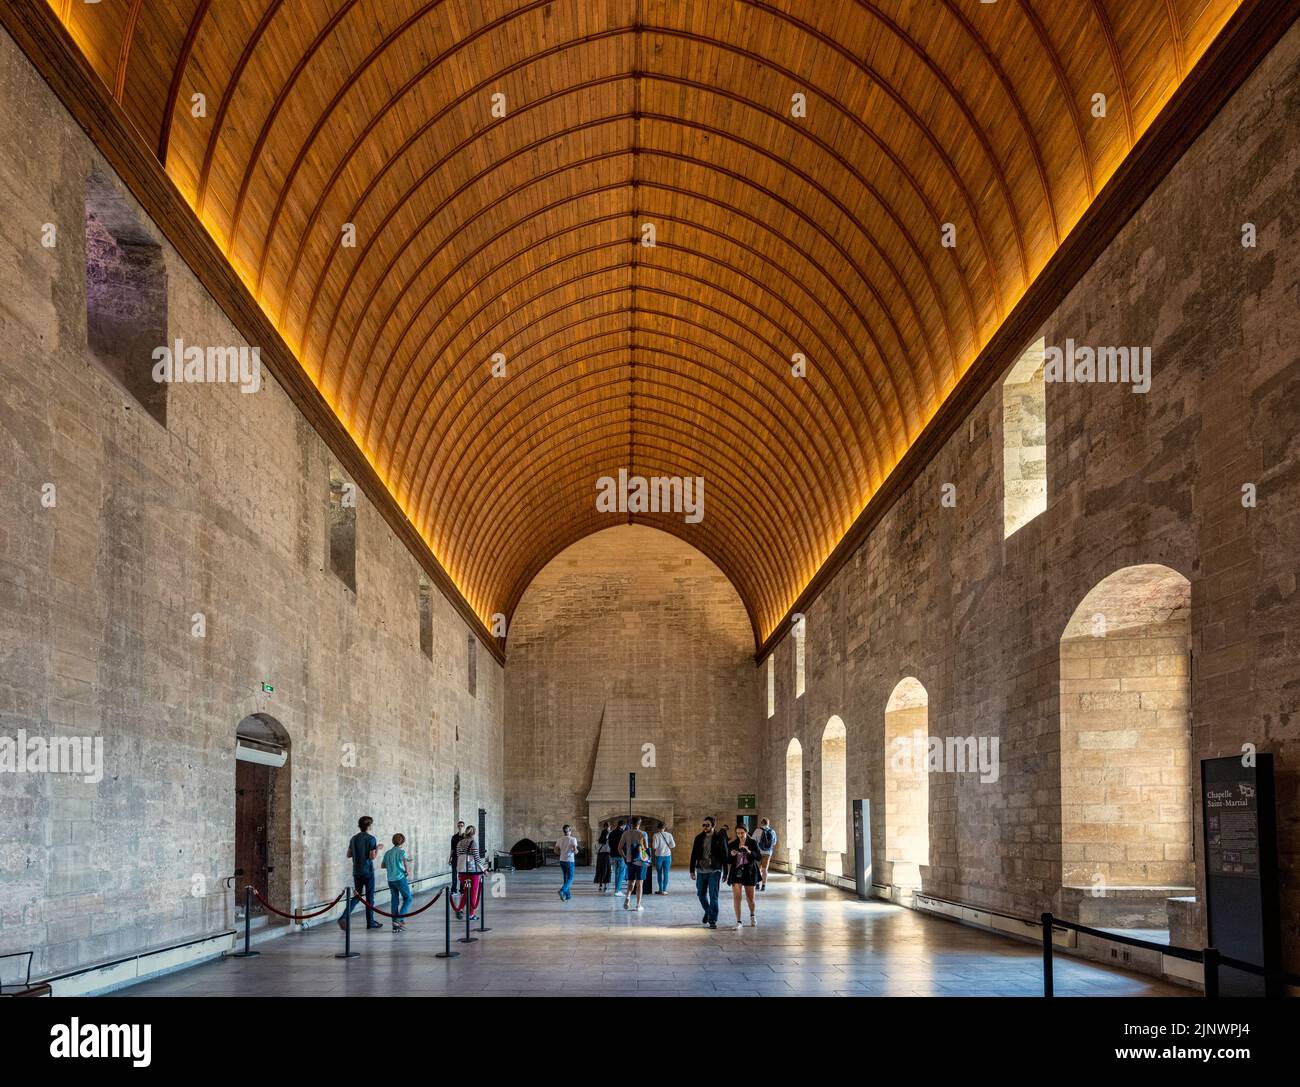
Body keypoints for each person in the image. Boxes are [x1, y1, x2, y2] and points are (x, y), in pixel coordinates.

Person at [340, 816, 383, 930]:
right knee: (370, 898)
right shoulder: (371, 839)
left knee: (357, 896)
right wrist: (378, 848)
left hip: (357, 871)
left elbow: (348, 854)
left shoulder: (353, 838)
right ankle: (370, 922)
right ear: (369, 826)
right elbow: (372, 857)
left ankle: (344, 917)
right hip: (367, 871)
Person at [689, 816, 728, 929]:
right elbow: (693, 855)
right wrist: (692, 870)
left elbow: (724, 855)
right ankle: (708, 911)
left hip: (714, 870)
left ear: (713, 825)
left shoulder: (719, 838)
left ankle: (712, 920)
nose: (705, 827)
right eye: (704, 825)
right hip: (701, 870)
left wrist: (725, 872)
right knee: (701, 894)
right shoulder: (699, 838)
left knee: (713, 896)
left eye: (707, 825)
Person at [727, 826, 762, 928]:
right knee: (737, 898)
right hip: (736, 872)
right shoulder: (733, 844)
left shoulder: (752, 843)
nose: (740, 835)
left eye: (742, 833)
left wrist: (749, 852)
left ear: (746, 832)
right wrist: (732, 855)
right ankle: (738, 921)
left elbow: (758, 857)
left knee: (750, 898)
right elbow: (728, 860)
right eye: (738, 833)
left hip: (749, 871)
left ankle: (752, 915)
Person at [382, 832, 412, 931]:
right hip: (400, 878)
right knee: (408, 898)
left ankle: (395, 925)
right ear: (402, 842)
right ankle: (399, 919)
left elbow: (383, 865)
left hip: (390, 879)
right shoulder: (401, 852)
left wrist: (392, 865)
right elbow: (405, 862)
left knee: (394, 901)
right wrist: (407, 871)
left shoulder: (387, 853)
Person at [619, 816, 650, 911]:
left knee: (631, 881)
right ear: (639, 824)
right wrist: (646, 859)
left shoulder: (625, 833)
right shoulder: (643, 833)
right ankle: (638, 905)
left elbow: (619, 848)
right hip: (640, 861)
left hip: (629, 860)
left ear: (631, 824)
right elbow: (646, 849)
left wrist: (624, 857)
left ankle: (628, 897)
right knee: (640, 883)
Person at [455, 824, 484, 920]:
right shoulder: (473, 843)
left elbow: (458, 855)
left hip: (462, 871)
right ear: (474, 833)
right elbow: (476, 857)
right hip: (472, 872)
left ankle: (459, 909)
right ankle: (471, 914)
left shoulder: (459, 843)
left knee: (466, 891)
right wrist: (484, 869)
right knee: (473, 893)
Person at [651, 821, 676, 894]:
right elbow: (673, 845)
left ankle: (660, 889)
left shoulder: (656, 835)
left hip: (659, 856)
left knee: (659, 873)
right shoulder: (669, 835)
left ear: (658, 828)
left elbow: (654, 846)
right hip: (668, 856)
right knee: (666, 873)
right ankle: (664, 890)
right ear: (664, 828)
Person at [556, 824, 579, 901]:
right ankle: (562, 890)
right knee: (571, 877)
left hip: (562, 860)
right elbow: (575, 851)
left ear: (563, 831)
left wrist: (562, 852)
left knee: (566, 878)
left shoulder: (559, 839)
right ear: (570, 831)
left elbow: (555, 850)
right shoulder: (573, 839)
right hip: (570, 861)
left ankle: (568, 895)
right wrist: (575, 851)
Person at [754, 818, 778, 891]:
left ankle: (757, 884)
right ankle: (763, 885)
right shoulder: (773, 832)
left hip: (759, 853)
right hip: (768, 853)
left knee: (758, 869)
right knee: (765, 870)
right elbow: (774, 843)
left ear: (761, 823)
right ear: (768, 823)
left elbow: (753, 841)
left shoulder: (757, 830)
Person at [448, 820, 465, 917]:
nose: (460, 827)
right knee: (454, 874)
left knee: (461, 874)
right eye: (459, 825)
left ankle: (462, 890)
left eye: (461, 825)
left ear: (463, 826)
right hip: (455, 857)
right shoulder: (454, 837)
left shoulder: (465, 837)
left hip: (462, 857)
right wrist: (450, 858)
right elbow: (452, 849)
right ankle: (454, 890)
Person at [608, 818, 627, 896]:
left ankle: (617, 888)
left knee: (617, 872)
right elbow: (625, 845)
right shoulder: (623, 833)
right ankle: (618, 890)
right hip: (620, 854)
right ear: (623, 826)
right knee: (621, 872)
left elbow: (609, 844)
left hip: (613, 854)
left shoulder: (611, 833)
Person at [593, 822, 611, 891]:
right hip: (606, 856)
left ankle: (600, 885)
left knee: (600, 870)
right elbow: (610, 849)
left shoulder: (599, 840)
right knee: (606, 871)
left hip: (600, 856)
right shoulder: (608, 840)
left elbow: (595, 849)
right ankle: (605, 886)